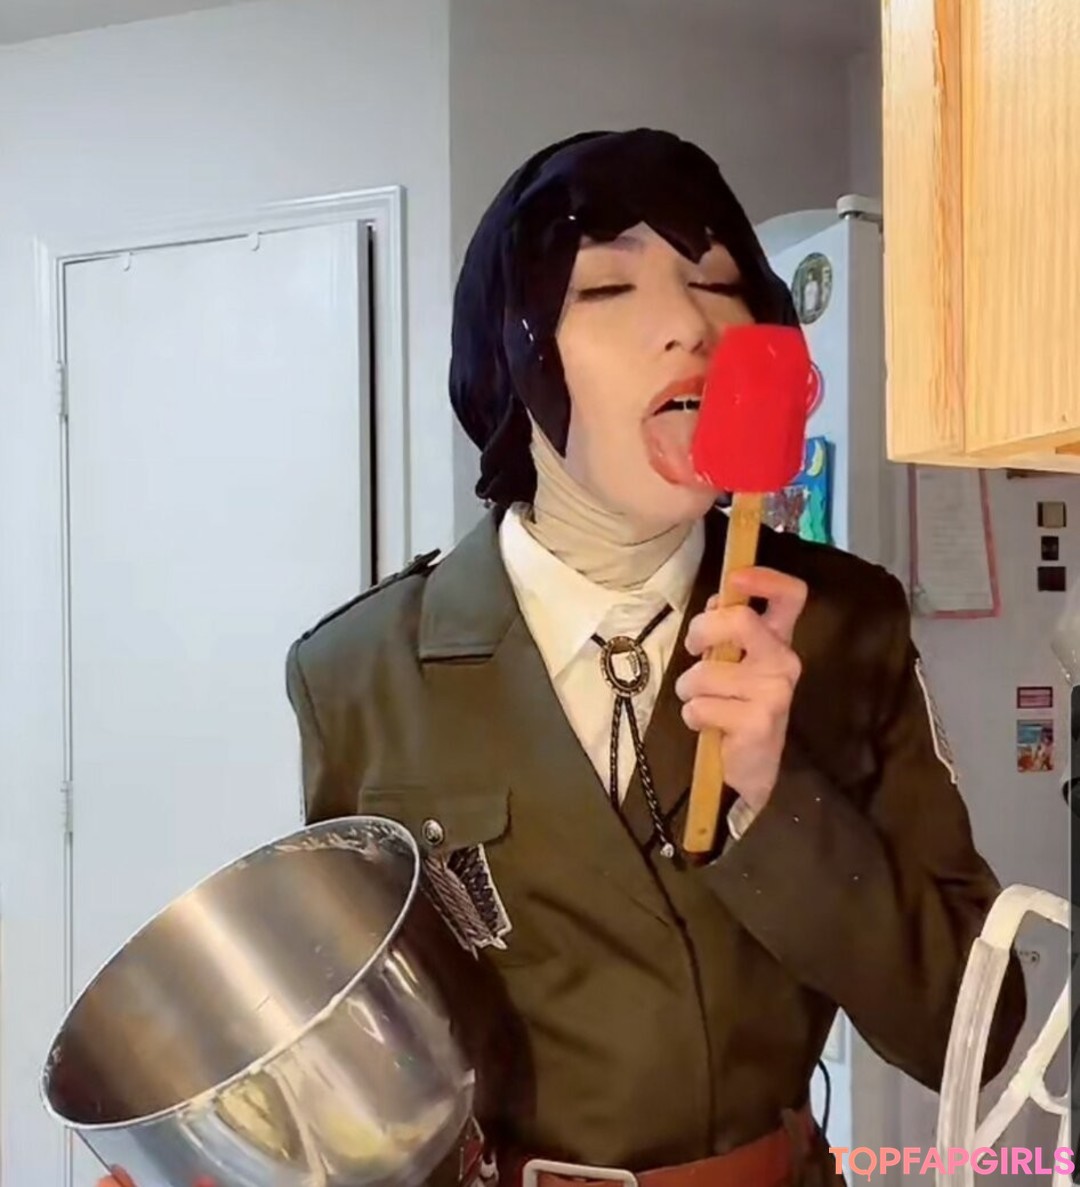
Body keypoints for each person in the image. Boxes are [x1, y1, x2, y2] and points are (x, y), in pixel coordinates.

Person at [97, 128, 1026, 1187]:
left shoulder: (842, 624)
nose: (689, 325)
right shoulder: (358, 670)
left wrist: (779, 799)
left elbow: (974, 1025)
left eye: (717, 282)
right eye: (607, 289)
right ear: (510, 352)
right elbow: (365, 1057)